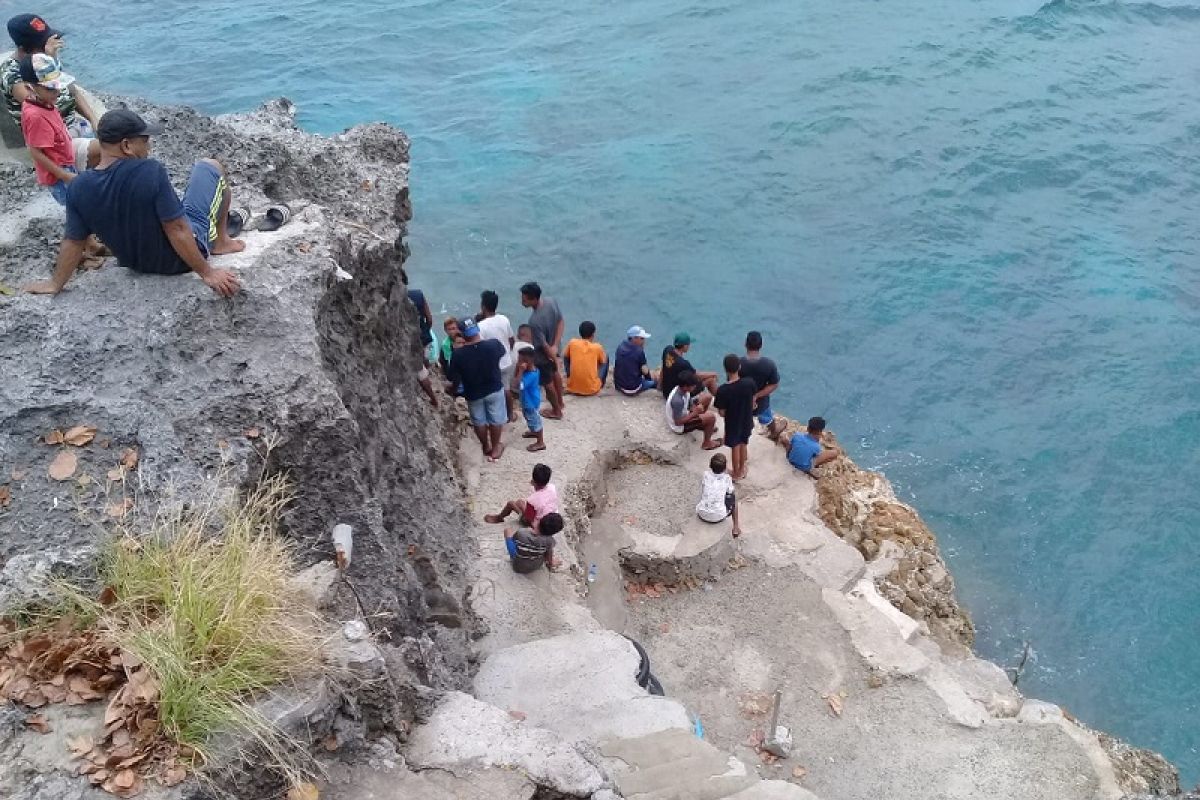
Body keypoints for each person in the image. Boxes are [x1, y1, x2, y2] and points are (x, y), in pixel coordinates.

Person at [25, 109, 244, 297]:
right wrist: (207, 273)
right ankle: (220, 242)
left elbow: (73, 242)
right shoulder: (150, 171)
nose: (148, 148)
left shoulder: (79, 187)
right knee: (210, 166)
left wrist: (55, 284)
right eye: (145, 141)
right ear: (127, 145)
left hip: (137, 264)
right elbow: (176, 228)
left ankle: (219, 240)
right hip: (180, 261)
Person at [2, 14, 100, 170]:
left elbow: (71, 91)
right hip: (54, 140)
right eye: (42, 44)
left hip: (73, 125)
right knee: (110, 152)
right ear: (23, 48)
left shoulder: (44, 62)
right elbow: (48, 105)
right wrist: (50, 58)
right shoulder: (12, 74)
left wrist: (94, 120)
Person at [445, 318, 507, 461]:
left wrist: (453, 389)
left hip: (474, 392)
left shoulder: (458, 355)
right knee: (496, 419)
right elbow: (502, 353)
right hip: (494, 387)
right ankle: (496, 447)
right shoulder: (493, 345)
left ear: (461, 333)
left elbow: (452, 376)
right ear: (477, 329)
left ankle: (486, 446)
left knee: (479, 421)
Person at [18, 54, 75, 205]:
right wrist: (63, 174)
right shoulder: (36, 116)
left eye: (58, 86)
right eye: (51, 88)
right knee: (73, 205)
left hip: (64, 162)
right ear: (30, 87)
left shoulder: (44, 102)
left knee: (78, 202)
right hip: (57, 173)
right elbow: (35, 151)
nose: (57, 92)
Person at [520, 281, 565, 419]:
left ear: (533, 298)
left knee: (547, 383)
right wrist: (556, 346)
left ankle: (556, 411)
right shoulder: (551, 302)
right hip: (555, 348)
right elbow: (561, 322)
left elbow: (544, 346)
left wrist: (553, 357)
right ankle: (561, 402)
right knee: (556, 373)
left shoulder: (534, 321)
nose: (522, 301)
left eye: (524, 299)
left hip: (543, 355)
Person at [714, 354, 757, 481]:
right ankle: (743, 468)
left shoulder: (723, 390)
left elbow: (721, 412)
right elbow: (753, 400)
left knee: (735, 447)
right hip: (746, 420)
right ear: (739, 367)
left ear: (725, 369)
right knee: (744, 444)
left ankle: (736, 473)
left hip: (733, 423)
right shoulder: (749, 382)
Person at [476, 290, 517, 421]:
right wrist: (508, 352)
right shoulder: (504, 319)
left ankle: (496, 418)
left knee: (493, 392)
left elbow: (480, 347)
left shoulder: (480, 326)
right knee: (506, 389)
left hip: (492, 365)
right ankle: (510, 414)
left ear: (483, 307)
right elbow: (512, 340)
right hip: (506, 361)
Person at [402, 268, 437, 407]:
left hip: (410, 342)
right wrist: (426, 330)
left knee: (420, 372)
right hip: (423, 337)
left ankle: (434, 399)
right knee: (424, 359)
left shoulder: (394, 301)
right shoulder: (418, 294)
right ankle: (428, 367)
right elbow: (429, 318)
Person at [485, 463, 559, 525]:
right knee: (520, 502)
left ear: (533, 481)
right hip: (550, 518)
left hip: (538, 524)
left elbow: (529, 519)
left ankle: (499, 517)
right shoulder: (552, 488)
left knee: (511, 503)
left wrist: (523, 512)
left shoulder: (533, 500)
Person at [665, 370, 722, 450]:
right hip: (680, 426)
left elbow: (689, 401)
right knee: (711, 417)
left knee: (707, 397)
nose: (695, 387)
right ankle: (707, 443)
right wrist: (695, 412)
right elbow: (677, 422)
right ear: (685, 386)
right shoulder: (677, 401)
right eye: (693, 385)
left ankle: (702, 424)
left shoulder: (683, 390)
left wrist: (694, 406)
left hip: (685, 413)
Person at [740, 331, 780, 428]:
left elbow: (732, 382)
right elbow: (774, 384)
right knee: (768, 419)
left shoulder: (738, 363)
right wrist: (756, 395)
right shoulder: (769, 364)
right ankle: (773, 432)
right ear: (761, 345)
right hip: (761, 404)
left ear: (745, 344)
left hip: (741, 403)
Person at [696, 453, 742, 538]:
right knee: (734, 498)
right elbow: (730, 493)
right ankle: (736, 527)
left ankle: (706, 506)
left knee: (706, 491)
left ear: (710, 465)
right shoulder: (727, 478)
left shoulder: (705, 474)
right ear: (725, 468)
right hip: (718, 516)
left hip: (701, 513)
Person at [660, 333, 718, 399]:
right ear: (684, 346)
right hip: (676, 395)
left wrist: (659, 387)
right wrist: (713, 374)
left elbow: (663, 368)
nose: (689, 346)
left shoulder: (667, 350)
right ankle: (721, 402)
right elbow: (696, 375)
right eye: (688, 344)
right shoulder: (683, 363)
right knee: (711, 380)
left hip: (666, 391)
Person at [563, 320, 608, 396]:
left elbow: (565, 357)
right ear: (593, 334)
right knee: (605, 358)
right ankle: (600, 383)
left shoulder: (572, 343)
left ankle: (571, 377)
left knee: (567, 356)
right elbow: (603, 362)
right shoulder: (597, 347)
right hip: (592, 389)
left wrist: (568, 373)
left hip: (572, 387)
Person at [515, 345, 546, 451]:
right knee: (528, 417)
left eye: (522, 361)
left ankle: (540, 442)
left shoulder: (530, 375)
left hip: (531, 402)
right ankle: (534, 432)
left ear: (529, 361)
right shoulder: (532, 371)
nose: (519, 363)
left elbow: (517, 384)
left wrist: (520, 371)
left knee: (535, 420)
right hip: (527, 400)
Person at [613, 326, 658, 395]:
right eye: (642, 338)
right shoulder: (639, 351)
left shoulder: (620, 346)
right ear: (634, 338)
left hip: (619, 385)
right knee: (655, 382)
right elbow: (645, 371)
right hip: (632, 388)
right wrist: (649, 380)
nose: (644, 341)